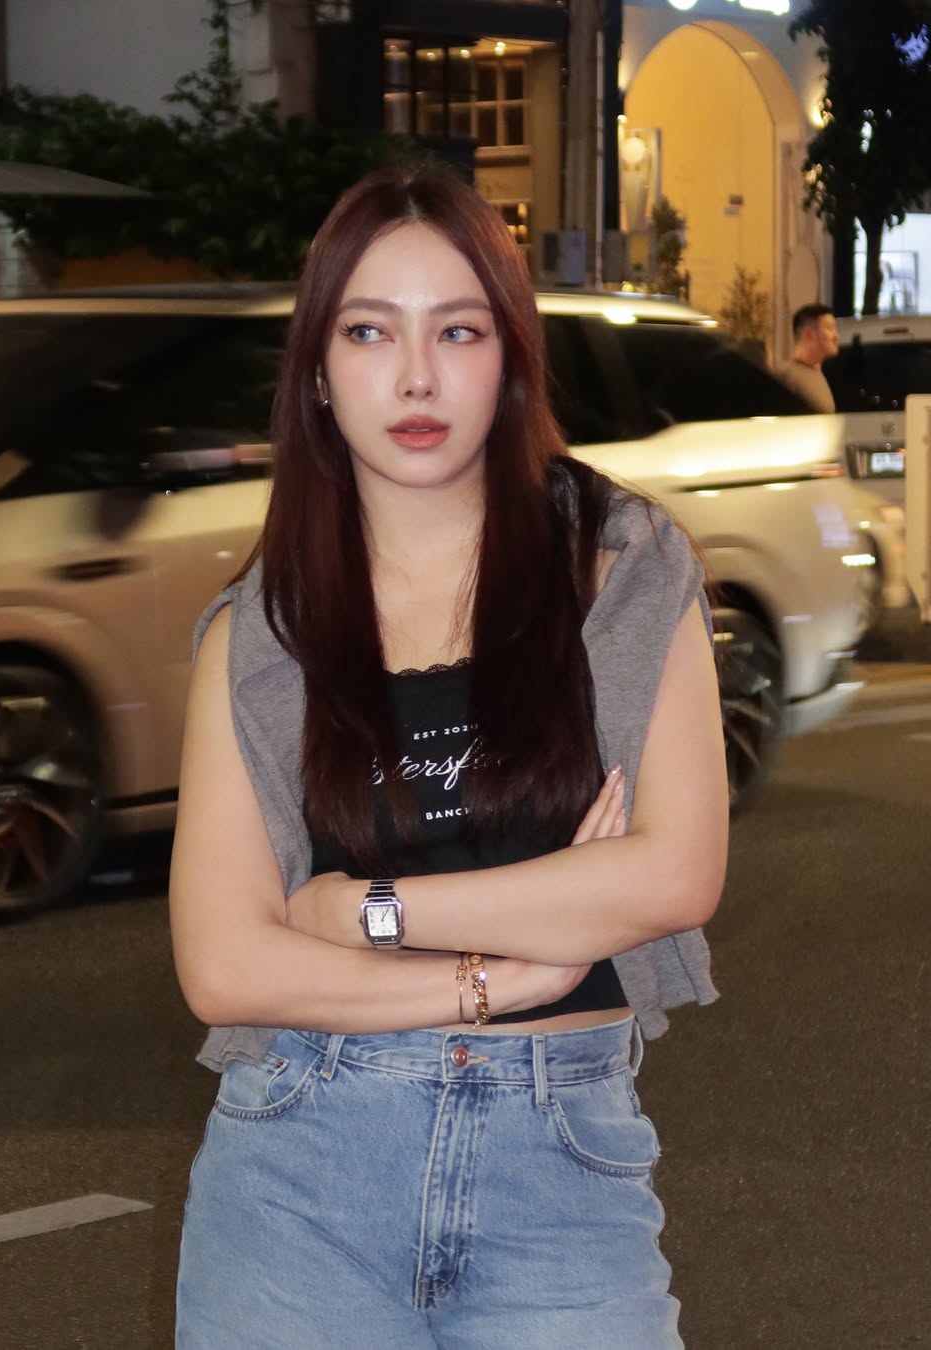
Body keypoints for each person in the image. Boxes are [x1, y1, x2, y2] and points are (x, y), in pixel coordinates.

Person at [169, 165, 729, 1349]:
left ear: (510, 358)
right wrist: (500, 978)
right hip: (300, 1169)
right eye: (370, 332)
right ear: (318, 373)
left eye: (459, 331)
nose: (417, 377)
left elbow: (674, 873)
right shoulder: (262, 631)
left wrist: (368, 912)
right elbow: (224, 964)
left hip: (561, 1169)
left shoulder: (619, 567)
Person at [775, 302, 840, 412]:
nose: (836, 336)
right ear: (809, 334)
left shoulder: (818, 375)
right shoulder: (786, 376)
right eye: (829, 328)